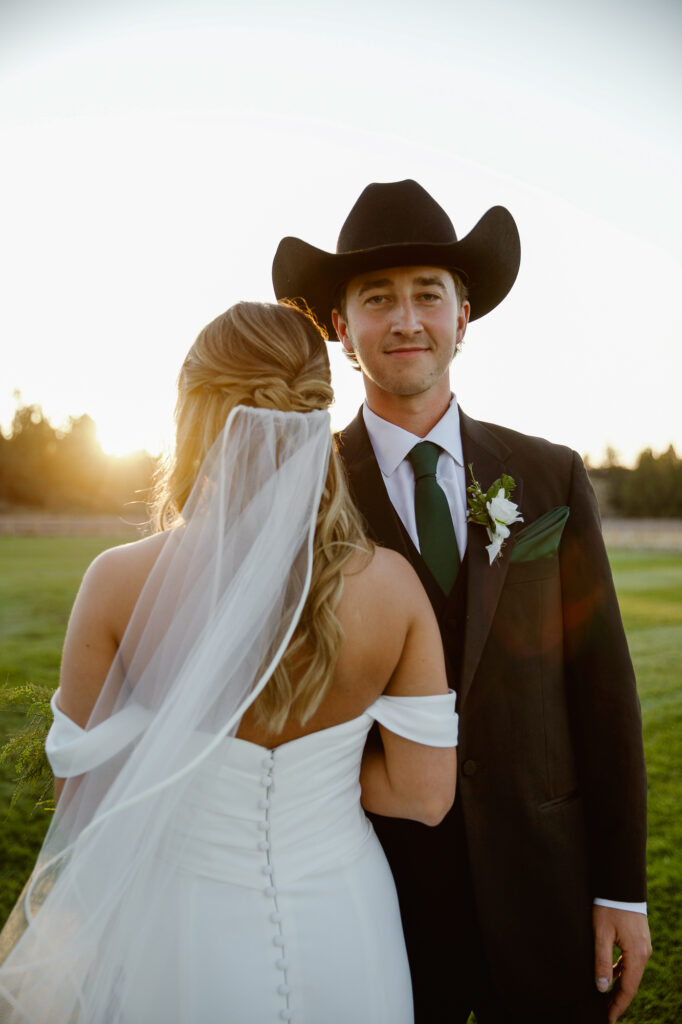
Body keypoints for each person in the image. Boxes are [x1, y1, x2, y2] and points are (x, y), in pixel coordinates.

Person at [0, 300, 458, 1023]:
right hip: (349, 924)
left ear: (195, 417)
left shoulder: (120, 584)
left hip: (182, 932)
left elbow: (82, 801)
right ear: (314, 420)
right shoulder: (394, 589)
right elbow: (425, 796)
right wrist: (323, 777)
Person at [272, 179, 652, 1024]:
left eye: (427, 295)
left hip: (547, 888)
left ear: (463, 317)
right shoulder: (300, 493)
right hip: (377, 901)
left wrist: (624, 890)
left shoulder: (551, 475)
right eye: (377, 298)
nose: (406, 319)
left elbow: (604, 691)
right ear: (341, 328)